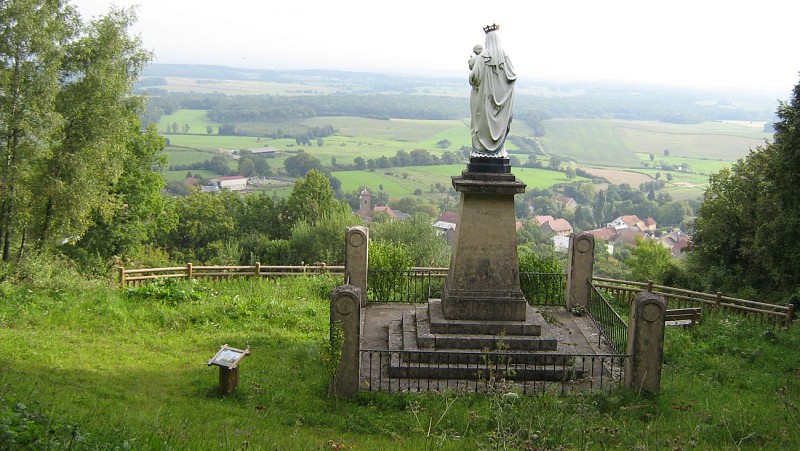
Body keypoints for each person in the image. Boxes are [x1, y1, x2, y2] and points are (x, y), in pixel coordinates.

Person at [469, 24, 516, 158]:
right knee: (498, 126)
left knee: (482, 125)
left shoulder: (483, 58)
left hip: (484, 100)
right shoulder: (506, 57)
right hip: (501, 104)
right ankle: (497, 153)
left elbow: (473, 78)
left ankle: (482, 152)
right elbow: (512, 77)